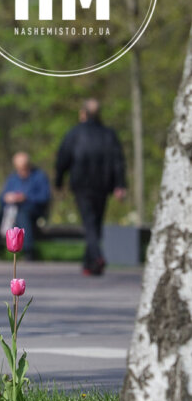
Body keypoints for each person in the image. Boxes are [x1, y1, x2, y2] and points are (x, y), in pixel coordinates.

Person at [55, 99, 127, 276]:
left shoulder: (75, 133)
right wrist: (120, 185)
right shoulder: (109, 134)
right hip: (102, 185)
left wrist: (58, 180)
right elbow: (119, 161)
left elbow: (63, 158)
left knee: (90, 224)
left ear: (83, 113)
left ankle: (97, 257)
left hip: (82, 185)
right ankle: (90, 265)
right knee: (95, 223)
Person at [0, 152, 51, 261]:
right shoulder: (13, 178)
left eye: (24, 168)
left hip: (32, 211)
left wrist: (26, 198)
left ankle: (29, 252)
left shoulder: (39, 176)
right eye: (19, 169)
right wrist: (6, 198)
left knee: (22, 215)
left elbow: (44, 197)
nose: (21, 172)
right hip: (10, 211)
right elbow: (1, 199)